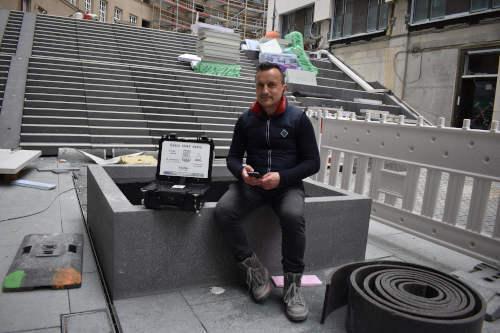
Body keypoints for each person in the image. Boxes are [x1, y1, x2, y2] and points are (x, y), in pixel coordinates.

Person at [214, 62, 320, 322]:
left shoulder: (298, 119)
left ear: (283, 87)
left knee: (293, 216)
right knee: (224, 211)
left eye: (271, 84)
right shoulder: (246, 120)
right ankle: (255, 270)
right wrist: (242, 172)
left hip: (287, 186)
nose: (265, 90)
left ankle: (292, 287)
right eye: (260, 84)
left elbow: (312, 162)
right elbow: (233, 157)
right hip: (255, 185)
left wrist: (283, 177)